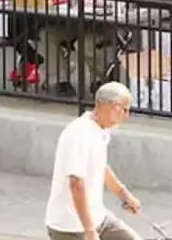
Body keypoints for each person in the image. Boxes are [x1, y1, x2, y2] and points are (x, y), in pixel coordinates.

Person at [45, 82, 143, 240]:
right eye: (124, 109)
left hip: (99, 218)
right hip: (70, 227)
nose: (126, 116)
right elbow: (76, 184)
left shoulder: (102, 130)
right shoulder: (79, 134)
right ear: (110, 106)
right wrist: (89, 231)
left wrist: (124, 194)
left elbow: (101, 167)